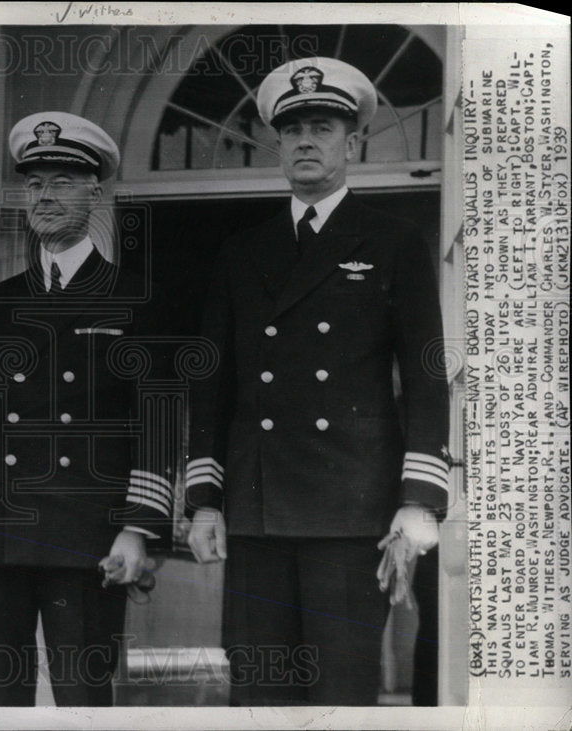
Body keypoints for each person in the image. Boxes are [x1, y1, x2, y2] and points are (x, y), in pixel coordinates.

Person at [185, 57, 449, 706]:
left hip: (352, 507)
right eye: (294, 127)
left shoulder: (394, 240)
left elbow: (425, 373)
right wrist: (204, 499)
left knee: (341, 689)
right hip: (258, 506)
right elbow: (211, 383)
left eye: (323, 126)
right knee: (258, 687)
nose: (307, 139)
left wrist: (418, 497)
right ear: (278, 140)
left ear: (350, 141)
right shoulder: (241, 250)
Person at [0, 112, 171, 706]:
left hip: (87, 538)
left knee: (82, 700)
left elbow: (158, 425)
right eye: (34, 184)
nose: (43, 196)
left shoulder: (134, 298)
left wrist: (137, 529)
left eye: (62, 181)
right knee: (1, 700)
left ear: (96, 191)